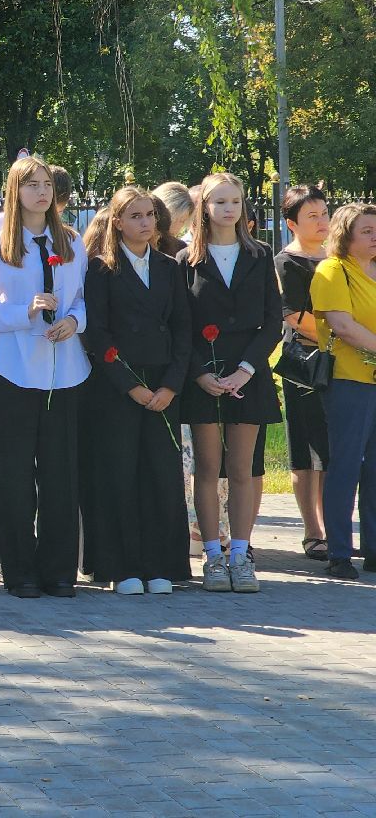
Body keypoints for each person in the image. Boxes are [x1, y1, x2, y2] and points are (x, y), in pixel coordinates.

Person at [0, 155, 88, 598]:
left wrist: (74, 322)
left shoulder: (71, 243)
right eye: (31, 184)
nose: (42, 191)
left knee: (60, 474)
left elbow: (82, 300)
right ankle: (18, 569)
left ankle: (59, 570)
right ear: (15, 192)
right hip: (15, 371)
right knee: (15, 475)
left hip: (64, 370)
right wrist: (25, 312)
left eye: (46, 184)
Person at [79, 188, 191, 595]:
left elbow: (183, 329)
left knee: (160, 474)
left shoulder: (168, 266)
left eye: (150, 215)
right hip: (117, 388)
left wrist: (170, 385)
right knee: (119, 473)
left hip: (163, 386)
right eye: (135, 216)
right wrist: (130, 387)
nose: (145, 223)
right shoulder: (101, 269)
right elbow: (97, 333)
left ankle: (160, 564)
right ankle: (121, 566)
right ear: (118, 222)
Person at [177, 171, 282, 594]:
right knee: (207, 468)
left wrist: (245, 369)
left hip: (247, 375)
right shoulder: (186, 262)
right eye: (219, 201)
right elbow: (181, 324)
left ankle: (240, 553)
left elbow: (272, 322)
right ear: (204, 206)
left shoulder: (259, 255)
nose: (228, 209)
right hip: (202, 378)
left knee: (241, 469)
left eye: (235, 201)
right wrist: (202, 374)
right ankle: (212, 556)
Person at [309, 202, 376, 581]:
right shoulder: (332, 271)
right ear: (346, 235)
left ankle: (374, 549)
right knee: (347, 465)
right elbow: (344, 327)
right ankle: (338, 551)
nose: (374, 236)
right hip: (349, 382)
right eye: (366, 231)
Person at [274, 185, 331, 560]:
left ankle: (332, 526)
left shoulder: (340, 258)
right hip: (306, 365)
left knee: (332, 451)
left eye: (325, 213)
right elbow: (294, 314)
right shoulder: (286, 262)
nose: (323, 221)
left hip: (346, 360)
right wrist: (342, 332)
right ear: (292, 223)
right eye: (312, 216)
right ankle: (313, 531)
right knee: (305, 450)